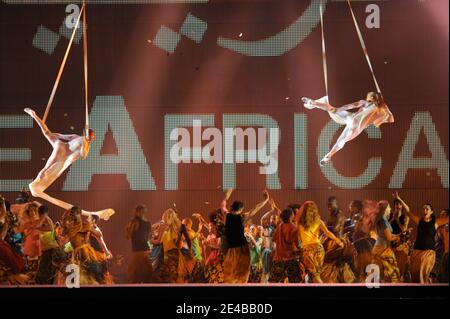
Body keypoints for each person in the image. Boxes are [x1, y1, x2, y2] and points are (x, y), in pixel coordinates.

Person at [23, 108, 114, 221]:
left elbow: (61, 136)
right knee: (44, 171)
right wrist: (86, 145)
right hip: (63, 153)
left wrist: (52, 136)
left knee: (46, 137)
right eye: (91, 137)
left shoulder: (77, 137)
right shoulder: (84, 144)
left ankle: (34, 115)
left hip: (61, 147)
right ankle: (35, 116)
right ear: (89, 136)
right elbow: (83, 155)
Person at [302, 92, 394, 166]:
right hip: (356, 126)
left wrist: (338, 110)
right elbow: (391, 119)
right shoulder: (380, 108)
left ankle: (314, 103)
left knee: (331, 109)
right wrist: (385, 108)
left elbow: (350, 106)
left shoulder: (364, 103)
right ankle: (329, 155)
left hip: (350, 118)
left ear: (369, 98)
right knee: (341, 140)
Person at [223, 190, 270, 283]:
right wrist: (265, 200)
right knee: (243, 275)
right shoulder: (242, 217)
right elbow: (254, 209)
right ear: (241, 209)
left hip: (231, 249)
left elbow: (223, 203)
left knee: (230, 275)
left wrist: (228, 194)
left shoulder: (226, 215)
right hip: (242, 248)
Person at [297, 201, 343, 283]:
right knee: (316, 275)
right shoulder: (318, 221)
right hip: (319, 249)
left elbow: (299, 238)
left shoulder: (299, 223)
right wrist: (338, 241)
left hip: (308, 251)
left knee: (314, 276)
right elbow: (328, 233)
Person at [405, 203, 449, 283]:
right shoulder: (419, 221)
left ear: (431, 212)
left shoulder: (436, 222)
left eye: (427, 209)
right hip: (417, 251)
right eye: (423, 209)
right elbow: (408, 212)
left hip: (429, 252)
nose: (424, 210)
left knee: (424, 273)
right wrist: (399, 199)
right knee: (415, 275)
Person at [371, 200, 401, 283]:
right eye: (389, 207)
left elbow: (386, 235)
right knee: (391, 275)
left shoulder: (382, 219)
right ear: (385, 209)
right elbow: (389, 238)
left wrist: (396, 236)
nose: (390, 209)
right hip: (382, 250)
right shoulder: (383, 220)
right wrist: (397, 237)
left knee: (378, 276)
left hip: (379, 248)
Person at [269, 208, 301, 283]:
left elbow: (273, 240)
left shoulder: (279, 227)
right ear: (290, 216)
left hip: (279, 258)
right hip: (291, 258)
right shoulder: (294, 228)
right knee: (294, 281)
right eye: (293, 214)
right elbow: (297, 244)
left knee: (274, 281)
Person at [125, 204, 152, 283]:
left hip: (141, 249)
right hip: (140, 249)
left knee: (141, 271)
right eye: (141, 211)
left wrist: (128, 230)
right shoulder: (144, 222)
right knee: (144, 270)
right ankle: (140, 283)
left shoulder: (136, 222)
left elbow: (127, 236)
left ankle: (139, 283)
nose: (141, 213)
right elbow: (128, 236)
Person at [390, 192, 411, 281]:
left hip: (401, 244)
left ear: (402, 206)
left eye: (399, 203)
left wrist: (397, 220)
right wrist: (392, 219)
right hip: (391, 243)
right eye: (396, 203)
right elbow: (386, 227)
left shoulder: (405, 217)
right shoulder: (390, 216)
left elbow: (404, 230)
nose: (398, 205)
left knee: (401, 266)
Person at [435, 209, 449, 282]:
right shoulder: (438, 227)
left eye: (443, 214)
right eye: (440, 214)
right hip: (436, 255)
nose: (441, 216)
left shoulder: (446, 228)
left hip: (443, 256)